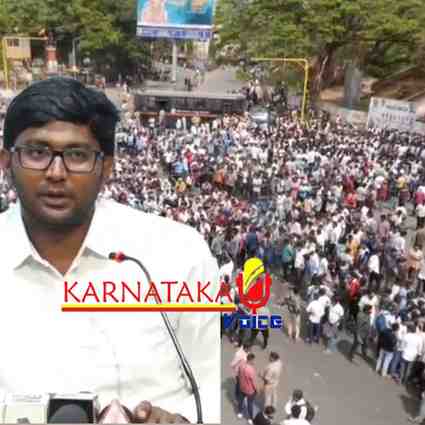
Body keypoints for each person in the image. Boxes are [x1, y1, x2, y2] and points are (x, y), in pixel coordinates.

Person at [0, 78, 220, 423]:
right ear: (6, 162)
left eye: (77, 155)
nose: (56, 173)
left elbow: (206, 386)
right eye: (37, 153)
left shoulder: (178, 255)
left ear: (106, 168)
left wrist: (182, 420)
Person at [237, 353, 258, 425]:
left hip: (242, 387)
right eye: (253, 360)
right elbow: (254, 382)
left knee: (240, 400)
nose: (254, 362)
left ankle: (240, 413)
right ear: (251, 360)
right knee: (250, 404)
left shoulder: (241, 365)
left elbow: (239, 374)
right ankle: (250, 418)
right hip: (250, 390)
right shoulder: (251, 369)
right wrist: (257, 390)